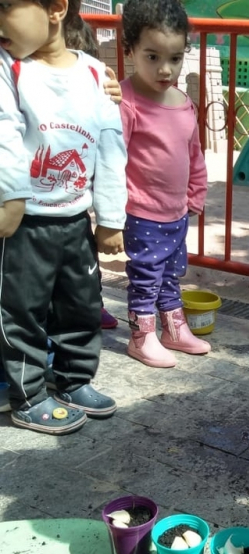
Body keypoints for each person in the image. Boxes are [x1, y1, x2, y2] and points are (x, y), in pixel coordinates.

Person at [0, 0, 127, 434]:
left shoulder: (94, 73)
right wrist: (12, 196)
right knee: (21, 312)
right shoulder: (8, 67)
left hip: (75, 220)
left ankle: (75, 380)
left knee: (82, 305)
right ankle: (28, 394)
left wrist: (111, 215)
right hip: (24, 225)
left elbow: (110, 143)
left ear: (55, 8)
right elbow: (4, 131)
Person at [120, 0, 210, 369]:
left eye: (175, 58)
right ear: (130, 52)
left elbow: (196, 155)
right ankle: (142, 337)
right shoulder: (126, 102)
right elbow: (112, 159)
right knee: (146, 276)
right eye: (153, 57)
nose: (165, 69)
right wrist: (110, 213)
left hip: (177, 211)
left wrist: (196, 195)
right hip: (141, 211)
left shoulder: (183, 102)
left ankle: (174, 328)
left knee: (171, 272)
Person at [64, 17, 121, 331]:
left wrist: (111, 221)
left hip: (71, 210)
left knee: (83, 263)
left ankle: (91, 302)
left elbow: (111, 153)